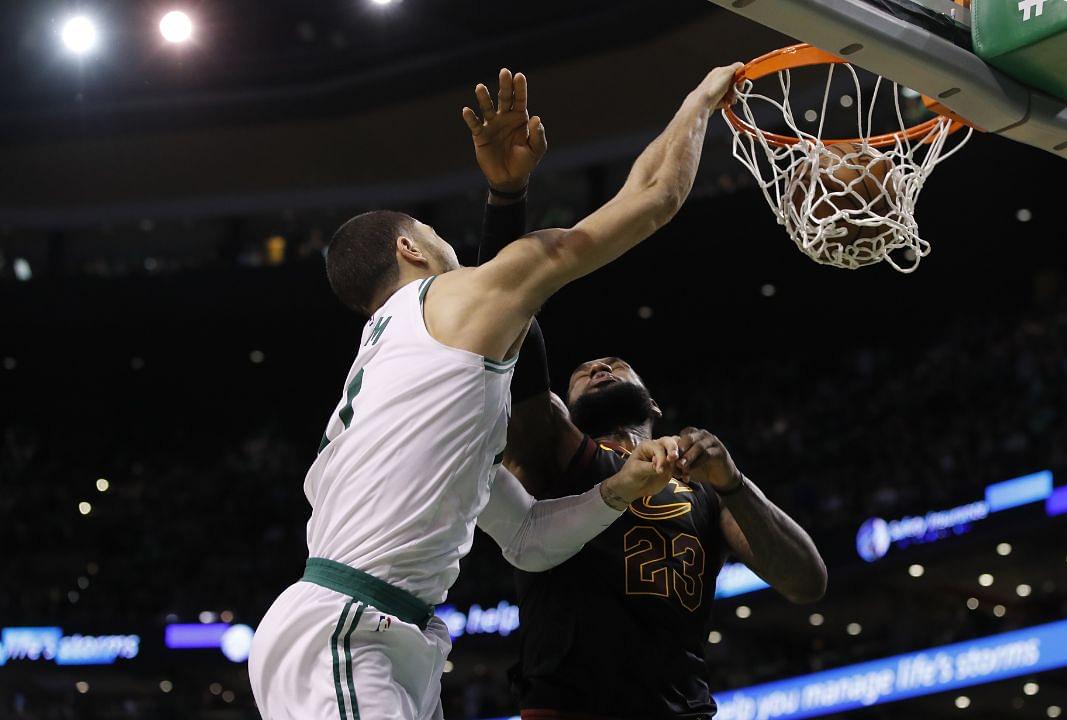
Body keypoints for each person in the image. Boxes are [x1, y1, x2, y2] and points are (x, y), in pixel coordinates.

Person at [249, 63, 742, 720]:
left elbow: (529, 537)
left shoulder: (405, 379)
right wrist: (699, 99)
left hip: (379, 632)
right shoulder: (454, 301)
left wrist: (616, 492)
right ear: (411, 247)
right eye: (435, 234)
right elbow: (654, 198)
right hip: (346, 629)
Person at [464, 73, 828, 719]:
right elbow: (509, 324)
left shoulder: (704, 486)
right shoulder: (554, 450)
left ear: (652, 403)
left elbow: (807, 582)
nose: (599, 365)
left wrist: (736, 483)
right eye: (584, 370)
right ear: (563, 404)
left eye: (615, 363)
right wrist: (506, 197)